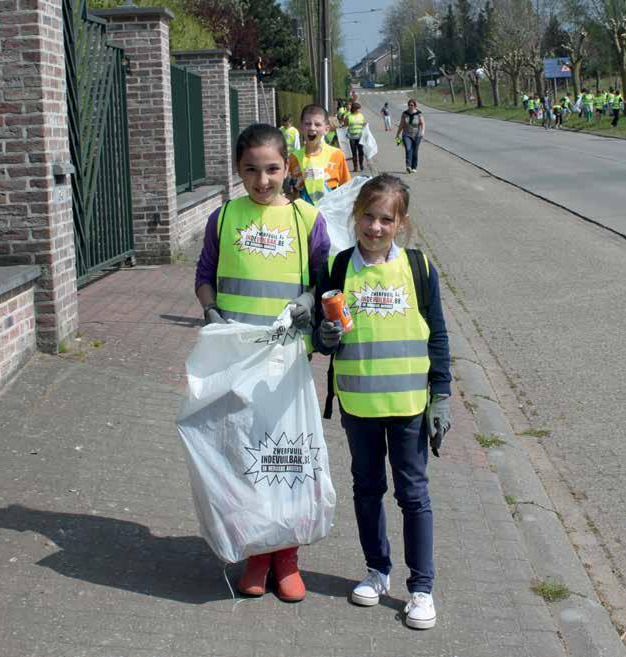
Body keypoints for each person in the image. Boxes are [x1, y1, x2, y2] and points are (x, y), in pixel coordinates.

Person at [194, 123, 331, 603]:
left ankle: (287, 556)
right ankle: (256, 554)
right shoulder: (224, 217)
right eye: (250, 169)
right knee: (243, 459)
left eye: (272, 168)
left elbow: (323, 281)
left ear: (287, 167)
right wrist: (209, 310)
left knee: (286, 458)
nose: (262, 179)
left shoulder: (306, 220)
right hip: (236, 363)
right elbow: (205, 274)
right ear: (237, 170)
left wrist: (310, 302)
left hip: (286, 363)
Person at [313, 173, 452, 630]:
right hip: (359, 407)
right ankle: (377, 571)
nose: (375, 227)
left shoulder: (419, 268)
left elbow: (438, 337)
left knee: (413, 495)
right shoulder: (338, 269)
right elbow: (323, 338)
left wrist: (443, 396)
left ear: (401, 223)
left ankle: (421, 588)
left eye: (385, 220)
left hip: (410, 405)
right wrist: (325, 337)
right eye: (368, 217)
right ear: (355, 216)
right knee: (367, 490)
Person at [288, 104, 351, 205]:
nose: (312, 128)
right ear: (301, 127)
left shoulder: (337, 155)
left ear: (326, 129)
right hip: (302, 215)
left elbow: (347, 189)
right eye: (307, 124)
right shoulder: (293, 158)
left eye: (317, 124)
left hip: (329, 215)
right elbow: (288, 190)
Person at [396, 98, 425, 174]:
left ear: (415, 106)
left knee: (415, 151)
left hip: (417, 135)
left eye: (411, 105)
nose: (410, 106)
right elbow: (401, 124)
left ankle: (414, 167)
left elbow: (422, 123)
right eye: (409, 105)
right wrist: (397, 134)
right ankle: (408, 166)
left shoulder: (419, 113)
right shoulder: (405, 113)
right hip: (406, 135)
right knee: (408, 149)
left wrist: (422, 131)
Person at [346, 101, 367, 172]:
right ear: (354, 109)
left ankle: (361, 164)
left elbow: (363, 123)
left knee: (361, 151)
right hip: (352, 137)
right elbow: (345, 125)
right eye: (357, 109)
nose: (359, 110)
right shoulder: (349, 116)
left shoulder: (361, 115)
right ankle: (355, 167)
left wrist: (365, 124)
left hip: (360, 136)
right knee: (354, 152)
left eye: (359, 109)